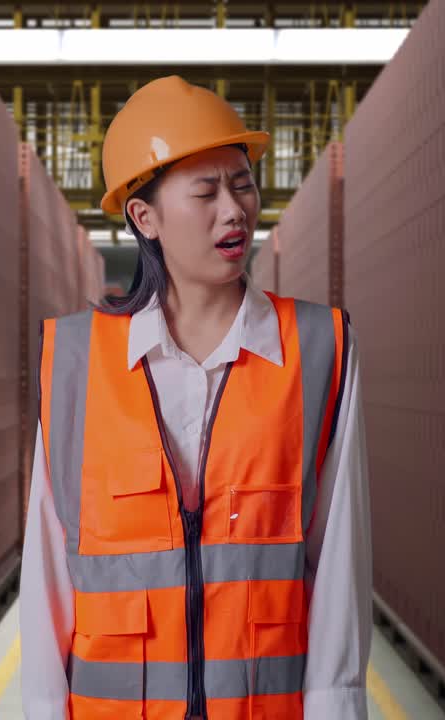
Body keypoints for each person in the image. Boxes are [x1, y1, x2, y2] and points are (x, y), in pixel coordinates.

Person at [20, 74, 372, 720]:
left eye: (241, 183)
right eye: (206, 192)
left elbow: (339, 581)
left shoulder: (317, 350)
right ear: (143, 216)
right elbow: (47, 586)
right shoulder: (75, 363)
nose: (235, 210)